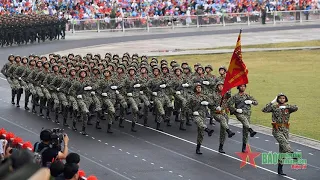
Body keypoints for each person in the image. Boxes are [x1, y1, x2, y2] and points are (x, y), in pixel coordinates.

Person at [262, 93, 298, 176]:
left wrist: (286, 107)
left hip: (285, 130)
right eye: (280, 98)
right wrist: (272, 102)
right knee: (284, 143)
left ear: (285, 99)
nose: (282, 99)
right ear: (278, 99)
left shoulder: (288, 107)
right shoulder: (274, 107)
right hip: (277, 129)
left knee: (282, 151)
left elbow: (296, 108)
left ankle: (280, 169)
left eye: (283, 98)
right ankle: (292, 154)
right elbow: (264, 109)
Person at [227, 84, 258, 153]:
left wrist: (251, 102)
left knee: (245, 131)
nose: (242, 87)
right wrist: (235, 110)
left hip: (247, 114)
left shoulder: (248, 96)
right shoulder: (235, 96)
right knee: (244, 120)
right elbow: (228, 104)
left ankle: (244, 147)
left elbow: (256, 103)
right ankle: (251, 129)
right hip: (239, 113)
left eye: (244, 86)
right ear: (238, 88)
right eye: (241, 86)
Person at [209, 81, 235, 153]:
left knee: (223, 131)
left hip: (224, 113)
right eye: (219, 86)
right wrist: (215, 108)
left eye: (222, 86)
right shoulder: (213, 95)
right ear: (217, 87)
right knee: (223, 120)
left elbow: (230, 100)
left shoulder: (226, 94)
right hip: (216, 113)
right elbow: (209, 105)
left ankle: (221, 146)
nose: (221, 87)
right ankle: (229, 130)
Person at [188, 82, 214, 154]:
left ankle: (198, 148)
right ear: (195, 89)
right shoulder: (191, 97)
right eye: (197, 87)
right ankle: (207, 130)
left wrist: (207, 103)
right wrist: (192, 113)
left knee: (201, 133)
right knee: (199, 122)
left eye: (200, 87)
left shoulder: (204, 97)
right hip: (195, 115)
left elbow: (212, 103)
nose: (199, 89)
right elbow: (187, 107)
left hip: (203, 115)